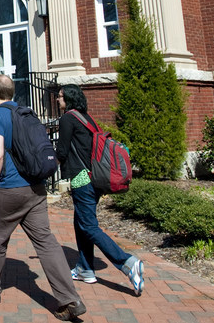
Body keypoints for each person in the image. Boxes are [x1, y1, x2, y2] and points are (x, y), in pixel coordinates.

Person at [0, 74, 86, 321]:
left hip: (9, 190)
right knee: (46, 242)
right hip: (36, 188)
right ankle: (70, 299)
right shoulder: (27, 113)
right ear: (12, 93)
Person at [54, 84, 144, 296]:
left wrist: (44, 167)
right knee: (80, 223)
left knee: (89, 226)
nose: (58, 100)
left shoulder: (68, 118)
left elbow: (62, 151)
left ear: (69, 99)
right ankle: (86, 268)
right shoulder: (87, 118)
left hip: (82, 179)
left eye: (60, 97)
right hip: (95, 178)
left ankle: (128, 262)